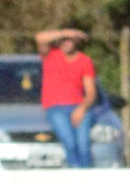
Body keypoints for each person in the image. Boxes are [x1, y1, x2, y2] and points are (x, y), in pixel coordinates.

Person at [35, 28, 99, 169]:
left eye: (70, 40)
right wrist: (66, 33)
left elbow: (91, 93)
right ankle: (74, 169)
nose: (67, 43)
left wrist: (81, 109)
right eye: (64, 40)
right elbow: (39, 37)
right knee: (69, 141)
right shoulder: (51, 55)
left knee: (83, 144)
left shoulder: (84, 61)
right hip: (55, 107)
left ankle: (86, 173)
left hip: (78, 106)